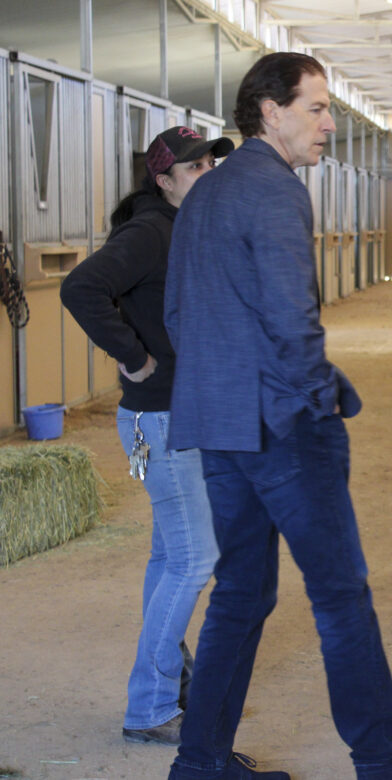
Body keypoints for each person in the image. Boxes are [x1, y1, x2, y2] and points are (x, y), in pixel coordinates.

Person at [162, 52, 392, 780]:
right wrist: (315, 398)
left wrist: (221, 387)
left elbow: (177, 315)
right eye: (317, 108)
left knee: (241, 590)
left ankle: (199, 763)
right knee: (338, 592)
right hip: (284, 425)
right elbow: (293, 316)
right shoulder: (275, 190)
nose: (328, 124)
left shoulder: (204, 193)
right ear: (271, 110)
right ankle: (380, 754)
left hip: (217, 422)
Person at [60, 126, 233, 746]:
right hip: (160, 417)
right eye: (194, 167)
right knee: (195, 559)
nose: (208, 171)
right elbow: (81, 287)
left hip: (166, 417)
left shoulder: (180, 226)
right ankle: (153, 706)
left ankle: (170, 682)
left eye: (211, 161)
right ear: (162, 180)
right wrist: (133, 359)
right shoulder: (153, 231)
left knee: (171, 557)